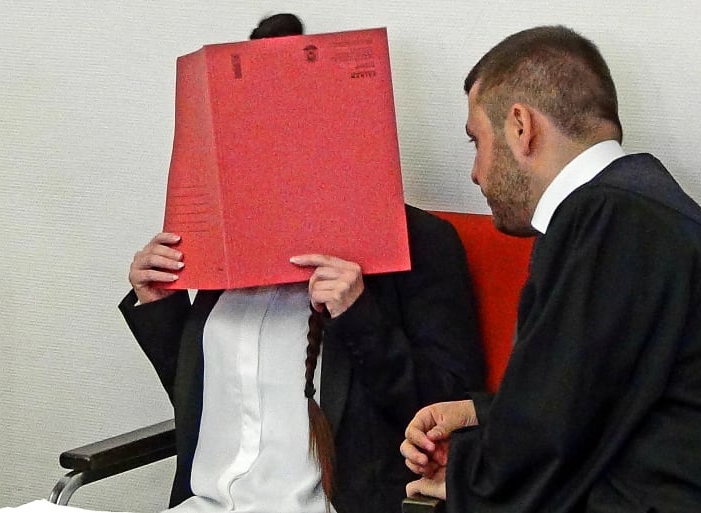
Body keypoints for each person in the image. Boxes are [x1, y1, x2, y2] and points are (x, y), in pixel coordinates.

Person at [401, 25, 701, 512]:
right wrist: (480, 416)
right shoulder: (634, 204)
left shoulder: (611, 218)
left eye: (477, 141)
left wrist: (467, 478)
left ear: (521, 126)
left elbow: (553, 431)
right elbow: (588, 397)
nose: (475, 171)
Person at [121, 13, 484, 513]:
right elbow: (215, 403)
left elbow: (450, 415)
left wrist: (359, 316)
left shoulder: (422, 243)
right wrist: (158, 304)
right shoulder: (224, 246)